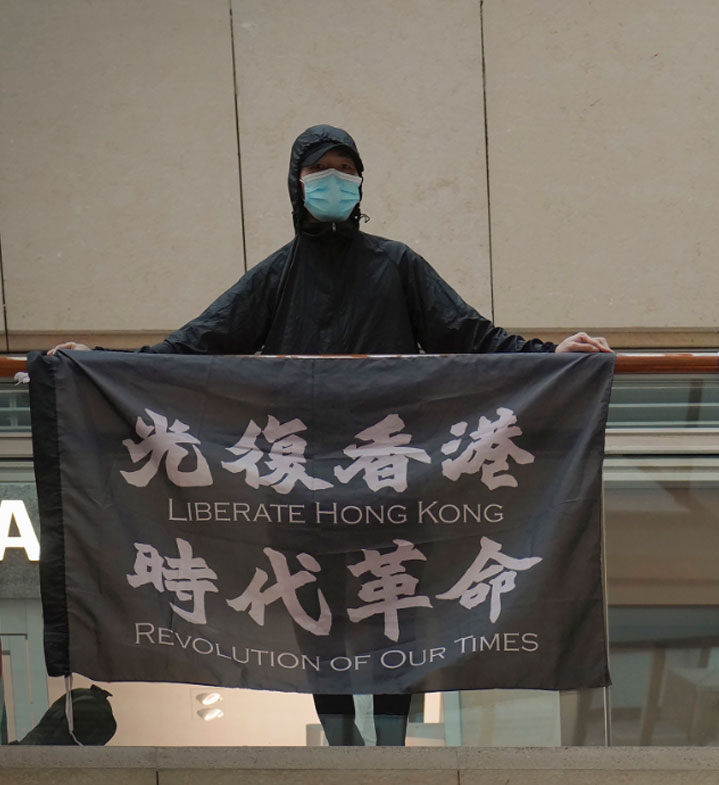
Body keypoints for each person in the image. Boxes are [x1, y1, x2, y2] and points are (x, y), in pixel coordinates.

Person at [52, 124, 611, 745]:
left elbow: (470, 336)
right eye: (321, 169)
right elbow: (192, 348)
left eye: (347, 169)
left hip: (393, 476)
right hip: (302, 483)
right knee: (314, 612)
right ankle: (343, 747)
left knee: (398, 606)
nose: (335, 180)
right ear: (297, 183)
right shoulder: (276, 276)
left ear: (362, 181)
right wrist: (101, 364)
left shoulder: (397, 264)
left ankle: (390, 749)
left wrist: (551, 356)